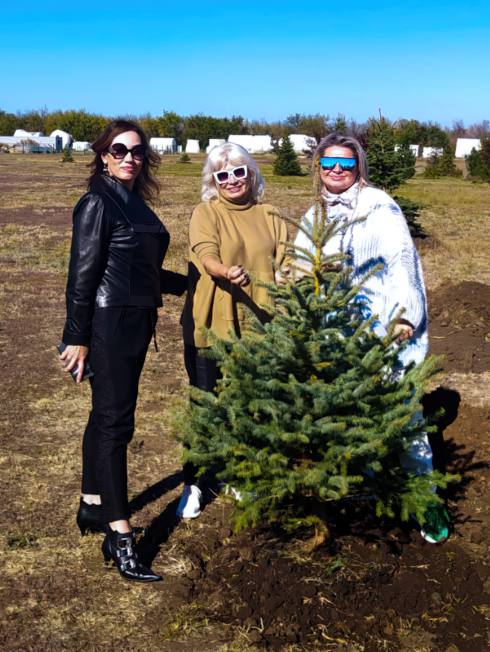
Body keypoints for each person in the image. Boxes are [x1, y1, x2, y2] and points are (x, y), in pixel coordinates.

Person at [294, 133, 449, 543]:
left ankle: (426, 501)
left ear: (359, 166)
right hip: (338, 335)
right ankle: (365, 489)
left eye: (346, 163)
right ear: (318, 168)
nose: (337, 171)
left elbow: (401, 261)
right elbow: (300, 263)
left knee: (404, 417)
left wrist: (404, 318)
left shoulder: (380, 207)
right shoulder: (316, 215)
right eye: (329, 164)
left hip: (384, 332)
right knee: (351, 412)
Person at [59, 119, 186, 582]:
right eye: (120, 149)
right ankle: (122, 537)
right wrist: (77, 336)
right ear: (103, 155)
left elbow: (146, 271)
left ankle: (93, 505)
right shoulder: (97, 202)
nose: (130, 157)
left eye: (137, 151)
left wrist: (199, 282)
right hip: (110, 324)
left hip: (136, 321)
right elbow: (82, 276)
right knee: (116, 424)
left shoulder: (134, 202)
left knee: (104, 415)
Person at [178, 142, 288, 518]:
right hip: (213, 323)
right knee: (207, 404)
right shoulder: (205, 212)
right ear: (214, 181)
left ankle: (241, 474)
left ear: (251, 174)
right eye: (222, 175)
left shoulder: (270, 214)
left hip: (260, 323)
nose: (232, 180)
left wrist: (292, 277)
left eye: (239, 172)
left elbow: (287, 261)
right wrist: (224, 270)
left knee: (248, 403)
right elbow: (204, 252)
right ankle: (196, 482)